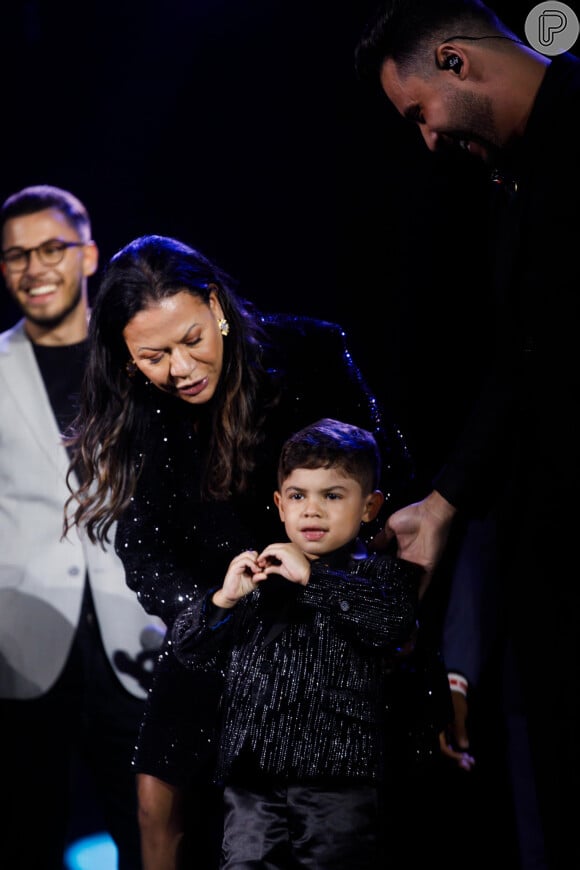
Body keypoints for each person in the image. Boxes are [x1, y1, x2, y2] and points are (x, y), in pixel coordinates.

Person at [63, 233, 446, 868]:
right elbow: (144, 547)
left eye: (191, 340)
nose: (180, 369)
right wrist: (212, 606)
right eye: (154, 356)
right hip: (219, 631)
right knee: (157, 801)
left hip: (332, 629)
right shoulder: (138, 408)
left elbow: (388, 488)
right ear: (127, 356)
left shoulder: (309, 353)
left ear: (215, 306)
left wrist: (331, 585)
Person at [354, 2, 580, 867]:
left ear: (454, 61)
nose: (426, 142)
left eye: (419, 114)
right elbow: (522, 361)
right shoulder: (517, 181)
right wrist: (443, 507)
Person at [171, 417, 422, 868]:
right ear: (279, 504)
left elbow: (391, 623)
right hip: (250, 780)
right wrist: (224, 600)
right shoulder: (259, 578)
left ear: (369, 506)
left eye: (332, 496)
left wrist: (314, 578)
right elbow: (189, 652)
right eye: (298, 496)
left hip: (335, 779)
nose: (311, 510)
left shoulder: (380, 575)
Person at [0, 184, 165, 869]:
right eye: (15, 256)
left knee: (149, 832)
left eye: (50, 249)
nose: (34, 268)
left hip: (139, 628)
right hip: (22, 640)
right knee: (26, 832)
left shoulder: (141, 354)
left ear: (89, 254)